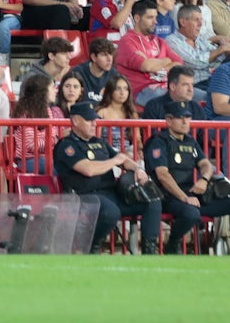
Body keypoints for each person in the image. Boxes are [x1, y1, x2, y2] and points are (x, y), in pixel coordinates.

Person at [53, 102, 162, 254]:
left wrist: (138, 169)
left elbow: (123, 160)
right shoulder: (66, 146)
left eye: (94, 120)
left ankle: (149, 252)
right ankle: (91, 245)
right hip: (84, 196)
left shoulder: (99, 142)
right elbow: (88, 169)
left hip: (110, 194)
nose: (94, 124)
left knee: (152, 201)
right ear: (75, 121)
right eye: (89, 120)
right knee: (111, 212)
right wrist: (114, 161)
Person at [146, 101, 230, 254]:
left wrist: (204, 180)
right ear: (169, 121)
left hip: (191, 195)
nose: (185, 122)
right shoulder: (159, 142)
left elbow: (205, 164)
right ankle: (173, 243)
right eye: (180, 118)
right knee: (192, 214)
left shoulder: (191, 141)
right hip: (169, 196)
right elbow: (163, 175)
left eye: (188, 117)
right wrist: (184, 198)